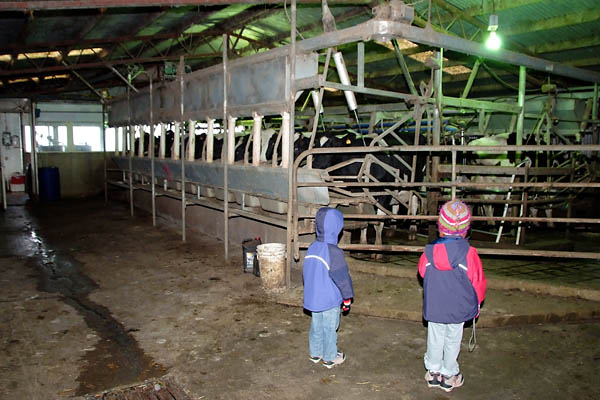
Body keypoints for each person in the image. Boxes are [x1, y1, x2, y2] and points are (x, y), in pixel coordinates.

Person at [418, 200, 487, 392]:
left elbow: (422, 272)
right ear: (466, 228)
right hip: (457, 307)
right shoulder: (470, 254)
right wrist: (477, 303)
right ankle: (448, 375)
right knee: (452, 339)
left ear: (441, 226)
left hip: (435, 306)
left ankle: (432, 372)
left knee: (435, 337)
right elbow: (478, 281)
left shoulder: (429, 251)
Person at [303, 207, 354, 369]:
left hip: (314, 297)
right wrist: (347, 297)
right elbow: (342, 278)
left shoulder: (312, 247)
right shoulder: (334, 252)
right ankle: (330, 357)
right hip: (330, 299)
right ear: (337, 227)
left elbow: (307, 272)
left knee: (316, 326)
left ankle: (315, 353)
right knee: (330, 328)